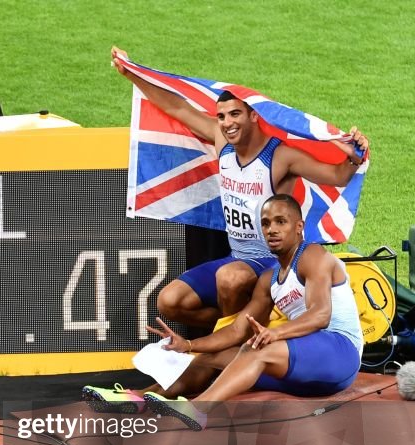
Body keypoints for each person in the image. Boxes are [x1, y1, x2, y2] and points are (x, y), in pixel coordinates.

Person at [111, 47, 370, 328]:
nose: (227, 123)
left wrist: (355, 156)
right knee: (169, 302)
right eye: (221, 117)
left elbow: (337, 175)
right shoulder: (222, 142)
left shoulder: (280, 157)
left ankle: (232, 348)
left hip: (273, 262)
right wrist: (133, 74)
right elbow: (177, 107)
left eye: (235, 114)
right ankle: (246, 329)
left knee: (229, 278)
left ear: (254, 116)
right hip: (237, 256)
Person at [138, 194, 363, 430]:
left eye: (280, 222)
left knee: (255, 350)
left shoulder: (313, 256)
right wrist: (189, 345)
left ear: (299, 227)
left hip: (341, 354)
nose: (272, 230)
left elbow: (320, 315)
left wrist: (277, 333)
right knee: (209, 358)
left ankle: (197, 410)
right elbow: (237, 330)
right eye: (266, 223)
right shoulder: (269, 279)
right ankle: (143, 398)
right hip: (309, 375)